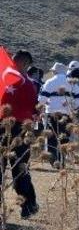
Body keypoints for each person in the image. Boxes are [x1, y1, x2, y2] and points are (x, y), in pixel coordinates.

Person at [0, 49, 39, 218]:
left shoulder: (9, 80)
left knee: (18, 169)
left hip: (14, 127)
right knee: (20, 169)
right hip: (18, 127)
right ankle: (29, 206)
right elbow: (34, 109)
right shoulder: (30, 84)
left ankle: (29, 205)